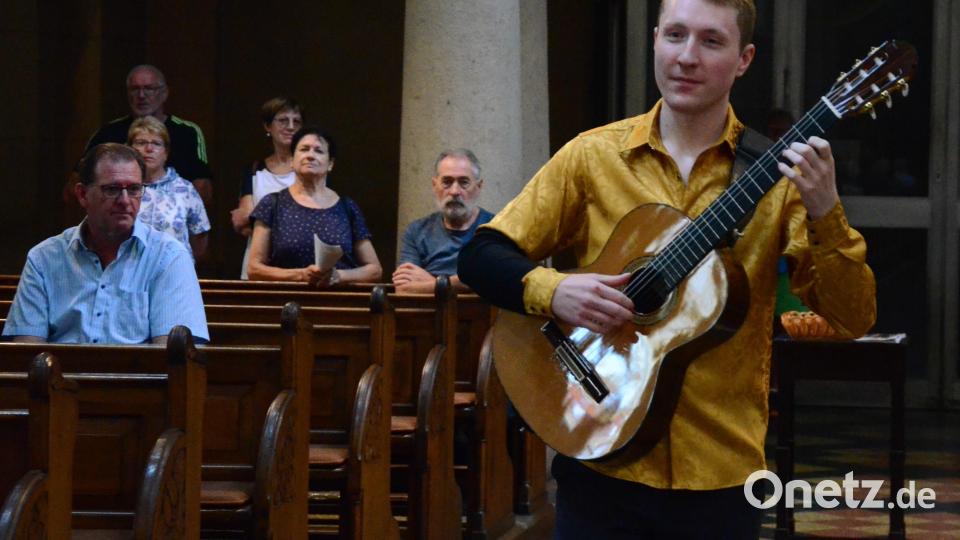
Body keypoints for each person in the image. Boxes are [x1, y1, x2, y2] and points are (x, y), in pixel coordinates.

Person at [458, 0, 876, 537]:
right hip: (598, 459)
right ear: (654, 40)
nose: (687, 57)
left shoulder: (776, 181)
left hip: (720, 476)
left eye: (711, 41)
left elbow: (853, 318)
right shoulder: (593, 156)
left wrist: (826, 211)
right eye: (675, 36)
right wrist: (554, 291)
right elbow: (481, 254)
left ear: (744, 58)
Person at [3, 143, 208, 344]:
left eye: (135, 189)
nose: (125, 200)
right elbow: (28, 350)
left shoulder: (169, 256)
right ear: (83, 195)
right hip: (59, 375)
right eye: (112, 189)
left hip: (139, 376)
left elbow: (171, 356)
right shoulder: (44, 258)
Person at [247, 126, 382, 286]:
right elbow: (254, 269)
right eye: (304, 149)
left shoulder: (347, 207)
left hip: (339, 303)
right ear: (292, 161)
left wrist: (339, 276)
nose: (310, 155)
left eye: (318, 151)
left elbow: (375, 270)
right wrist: (300, 275)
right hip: (285, 302)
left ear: (330, 164)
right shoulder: (272, 204)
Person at [83, 65, 214, 204]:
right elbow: (76, 187)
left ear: (164, 93)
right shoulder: (108, 133)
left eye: (149, 89)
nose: (141, 95)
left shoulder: (187, 132)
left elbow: (204, 189)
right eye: (135, 89)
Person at [393, 148, 494, 293]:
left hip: (482, 314)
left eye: (463, 182)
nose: (454, 191)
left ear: (479, 186)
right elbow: (403, 289)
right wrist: (461, 284)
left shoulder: (495, 229)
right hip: (429, 314)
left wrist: (433, 282)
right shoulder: (417, 231)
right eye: (447, 182)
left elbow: (491, 281)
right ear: (435, 185)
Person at [230, 97, 303, 278]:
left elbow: (312, 218)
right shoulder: (254, 170)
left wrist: (261, 221)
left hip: (299, 266)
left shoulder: (310, 169)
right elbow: (243, 221)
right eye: (283, 120)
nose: (291, 127)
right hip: (257, 264)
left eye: (297, 122)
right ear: (267, 126)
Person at [127, 116, 211, 261]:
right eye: (141, 143)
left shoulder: (185, 189)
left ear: (166, 152)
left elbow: (199, 239)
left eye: (156, 143)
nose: (149, 149)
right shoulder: (121, 187)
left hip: (174, 273)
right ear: (129, 149)